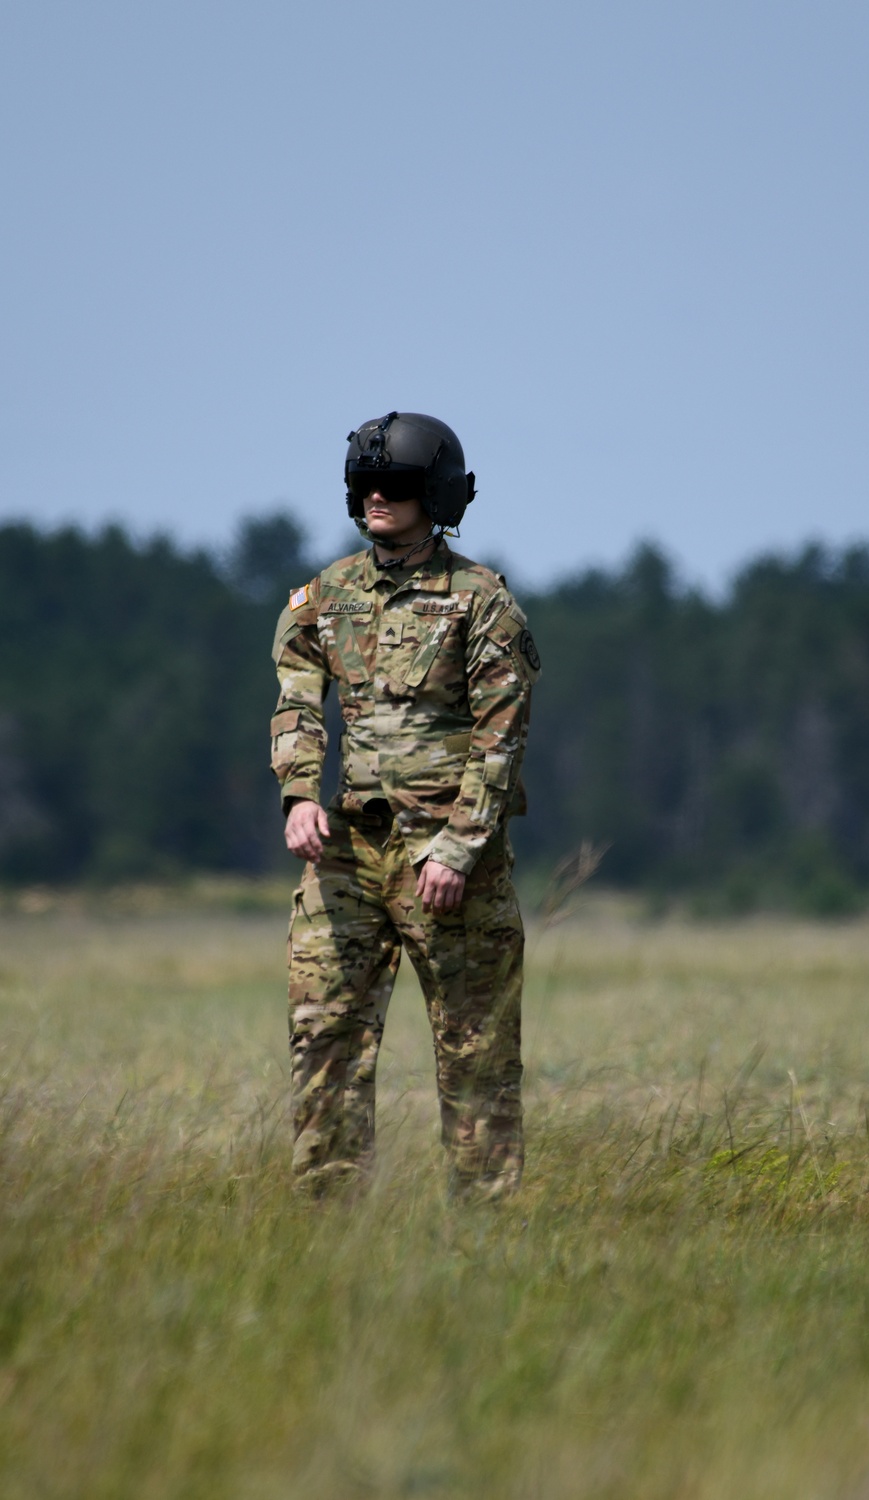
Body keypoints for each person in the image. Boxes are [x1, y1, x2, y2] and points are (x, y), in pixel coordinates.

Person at [270, 412, 540, 1201]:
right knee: (324, 1036)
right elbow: (294, 702)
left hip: (449, 863)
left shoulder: (481, 600)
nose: (377, 496)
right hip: (349, 854)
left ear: (439, 495)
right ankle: (330, 1225)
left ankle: (484, 1231)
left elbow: (502, 736)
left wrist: (460, 846)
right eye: (366, 484)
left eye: (396, 485)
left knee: (475, 1050)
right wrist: (297, 795)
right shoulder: (325, 596)